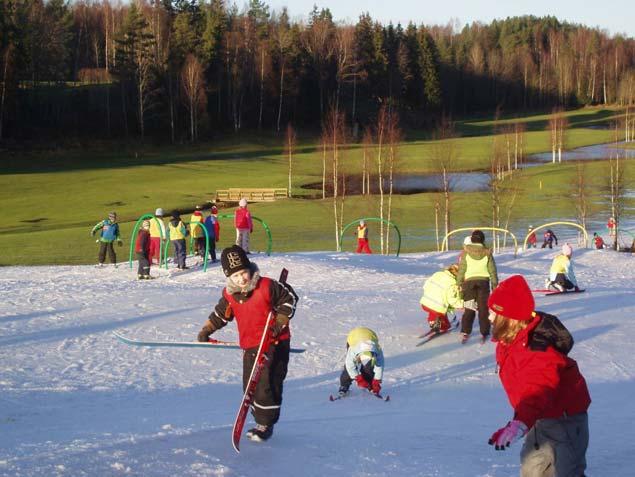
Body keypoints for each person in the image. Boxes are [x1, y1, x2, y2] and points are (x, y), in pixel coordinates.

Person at [486, 274, 591, 477]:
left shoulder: (538, 350)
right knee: (533, 469)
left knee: (565, 471)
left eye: (493, 313)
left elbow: (538, 389)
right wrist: (523, 419)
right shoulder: (511, 340)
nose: (489, 317)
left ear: (510, 317)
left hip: (564, 421)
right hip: (538, 417)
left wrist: (520, 423)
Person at [196, 245, 298, 442]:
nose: (241, 279)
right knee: (250, 386)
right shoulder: (230, 296)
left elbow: (289, 299)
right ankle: (259, 420)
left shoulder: (267, 286)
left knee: (267, 384)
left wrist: (279, 323)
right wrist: (207, 329)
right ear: (228, 278)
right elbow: (220, 315)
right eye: (235, 276)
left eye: (243, 273)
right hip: (251, 345)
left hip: (274, 343)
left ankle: (266, 424)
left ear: (250, 269)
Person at [457, 230, 498, 343]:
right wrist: (495, 286)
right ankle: (484, 331)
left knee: (469, 308)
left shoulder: (466, 253)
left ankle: (465, 330)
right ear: (483, 240)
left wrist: (459, 283)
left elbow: (462, 270)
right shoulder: (487, 253)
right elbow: (492, 271)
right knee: (483, 309)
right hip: (483, 283)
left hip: (469, 284)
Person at [338, 327, 384, 397]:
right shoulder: (353, 350)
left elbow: (380, 366)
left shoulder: (377, 351)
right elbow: (350, 366)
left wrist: (376, 381)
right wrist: (358, 378)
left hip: (370, 335)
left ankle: (369, 384)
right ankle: (344, 386)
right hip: (354, 337)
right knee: (348, 369)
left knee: (369, 368)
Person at [420, 264, 464, 333]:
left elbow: (425, 285)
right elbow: (452, 300)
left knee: (434, 308)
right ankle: (443, 327)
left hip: (425, 303)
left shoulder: (437, 274)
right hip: (438, 309)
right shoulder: (453, 283)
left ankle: (433, 321)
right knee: (440, 310)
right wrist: (462, 304)